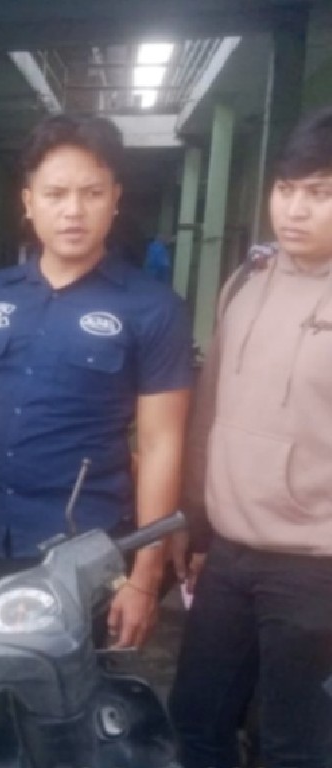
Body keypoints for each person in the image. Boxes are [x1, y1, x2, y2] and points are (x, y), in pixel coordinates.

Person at [0, 113, 193, 646]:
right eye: (56, 193)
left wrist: (145, 574)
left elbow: (160, 444)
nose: (73, 211)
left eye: (91, 193)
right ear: (28, 201)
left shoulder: (153, 309)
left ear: (115, 198)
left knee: (65, 694)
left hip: (83, 554)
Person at [168, 107, 332, 768]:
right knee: (195, 719)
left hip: (315, 565)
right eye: (286, 189)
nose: (296, 209)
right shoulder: (244, 282)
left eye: (320, 193)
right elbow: (210, 411)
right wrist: (196, 523)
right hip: (229, 556)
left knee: (293, 745)